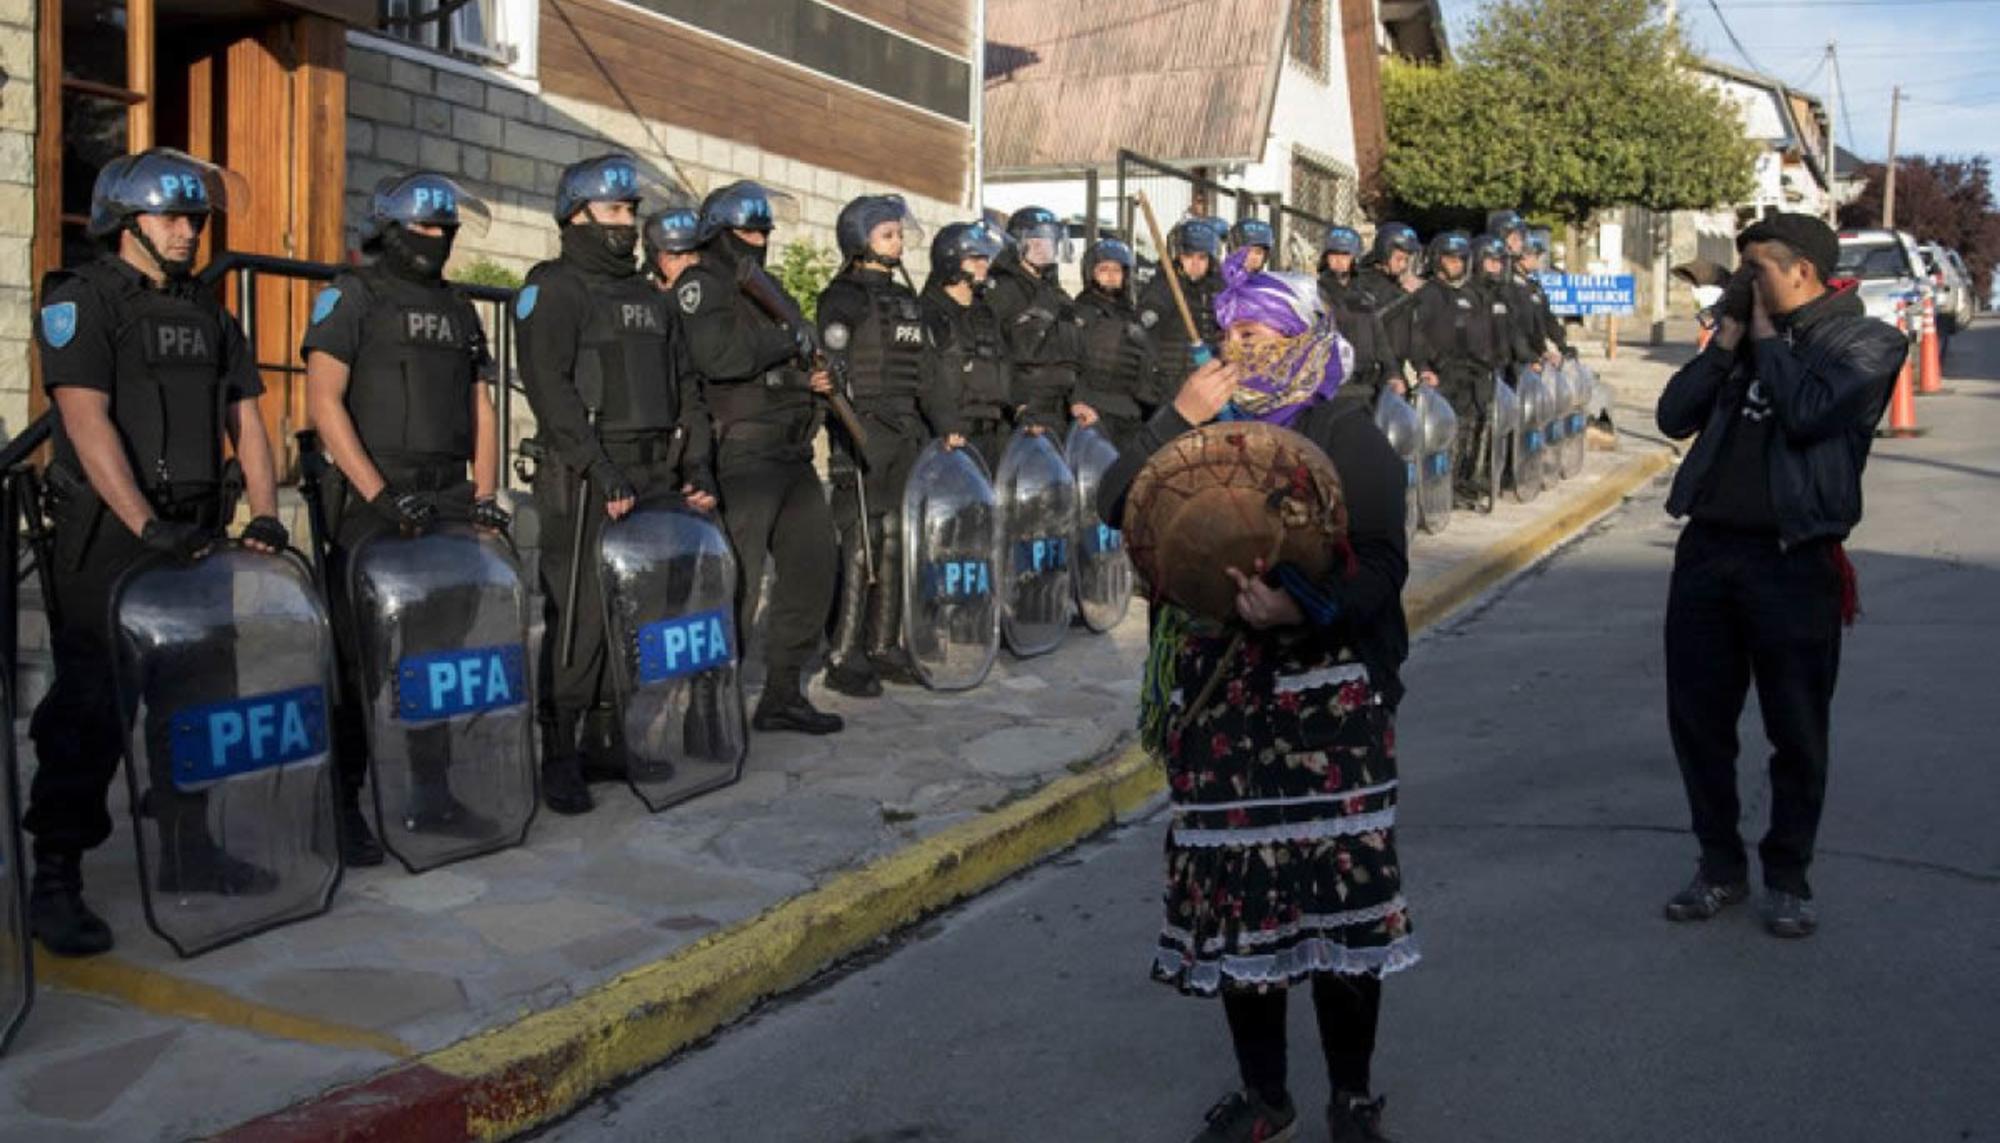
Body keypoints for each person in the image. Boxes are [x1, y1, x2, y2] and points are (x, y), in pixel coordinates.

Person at [1098, 251, 1414, 1143]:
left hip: (1326, 702)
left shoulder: (1345, 432)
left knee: (1340, 896)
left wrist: (1299, 607)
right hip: (1218, 704)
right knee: (1244, 907)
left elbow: (1384, 565)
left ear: (1307, 337)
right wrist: (1176, 417)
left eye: (1264, 331)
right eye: (1234, 331)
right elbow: (1112, 502)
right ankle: (1264, 1094)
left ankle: (1351, 1098)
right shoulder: (1201, 426)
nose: (1246, 346)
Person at [26, 148, 290, 956]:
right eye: (172, 218)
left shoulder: (213, 314)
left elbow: (247, 416)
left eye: (196, 220)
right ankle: (56, 877)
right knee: (93, 706)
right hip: (111, 535)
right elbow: (85, 419)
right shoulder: (83, 300)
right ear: (125, 221)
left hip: (198, 532)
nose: (188, 232)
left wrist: (268, 512)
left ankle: (189, 843)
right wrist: (144, 523)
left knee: (201, 696)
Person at [1654, 213, 1906, 938]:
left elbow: (1806, 412)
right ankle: (1719, 864)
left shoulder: (1866, 342)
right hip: (1709, 553)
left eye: (1755, 268)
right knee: (1698, 722)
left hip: (1794, 561)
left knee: (1795, 729)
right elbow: (1675, 416)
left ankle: (1789, 875)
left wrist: (1762, 337)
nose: (1742, 282)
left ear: (1801, 271)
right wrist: (1725, 343)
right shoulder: (1740, 336)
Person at [301, 171, 507, 860]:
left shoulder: (456, 307)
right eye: (424, 227)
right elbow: (324, 400)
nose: (437, 239)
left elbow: (481, 405)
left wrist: (485, 494)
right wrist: (376, 494)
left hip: (447, 498)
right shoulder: (351, 296)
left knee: (437, 658)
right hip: (374, 502)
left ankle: (433, 793)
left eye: (445, 228)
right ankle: (340, 804)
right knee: (360, 661)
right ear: (391, 229)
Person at [515, 153, 719, 814]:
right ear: (576, 215)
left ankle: (608, 737)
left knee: (638, 611)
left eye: (632, 211)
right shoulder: (554, 288)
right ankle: (559, 750)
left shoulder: (647, 297)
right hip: (585, 474)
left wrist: (695, 468)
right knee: (579, 616)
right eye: (613, 211)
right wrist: (601, 470)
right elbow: (552, 390)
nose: (627, 224)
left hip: (653, 470)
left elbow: (685, 385)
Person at [675, 180, 843, 735]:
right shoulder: (701, 286)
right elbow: (719, 356)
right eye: (748, 231)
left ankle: (782, 692)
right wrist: (790, 338)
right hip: (741, 455)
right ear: (719, 235)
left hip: (791, 452)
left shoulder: (767, 288)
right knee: (736, 588)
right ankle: (707, 709)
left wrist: (813, 374)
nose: (759, 240)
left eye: (764, 231)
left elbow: (793, 352)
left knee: (813, 569)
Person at [815, 195, 961, 698]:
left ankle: (883, 645)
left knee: (898, 535)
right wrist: (842, 433)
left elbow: (929, 373)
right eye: (887, 234)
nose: (898, 242)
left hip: (907, 433)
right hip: (863, 431)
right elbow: (830, 373)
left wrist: (947, 424)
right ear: (860, 241)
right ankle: (844, 652)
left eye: (899, 233)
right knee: (861, 541)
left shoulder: (908, 301)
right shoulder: (841, 298)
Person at [985, 205, 1095, 433]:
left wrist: (1078, 398)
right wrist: (1019, 403)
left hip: (1062, 410)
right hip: (1023, 410)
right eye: (1035, 241)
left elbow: (1076, 355)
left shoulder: (1060, 296)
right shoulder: (1001, 291)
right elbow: (996, 355)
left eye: (1049, 241)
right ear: (1017, 245)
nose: (1044, 248)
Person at [1411, 231, 1501, 505]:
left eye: (1460, 260)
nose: (1455, 265)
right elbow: (1417, 335)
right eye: (1450, 260)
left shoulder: (1470, 294)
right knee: (1443, 435)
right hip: (1443, 374)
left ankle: (1461, 481)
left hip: (1471, 373)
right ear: (1438, 261)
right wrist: (1425, 366)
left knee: (1469, 430)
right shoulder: (1428, 294)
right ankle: (1438, 488)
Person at [920, 221, 1014, 474]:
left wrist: (1021, 410)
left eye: (985, 257)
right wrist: (946, 425)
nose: (984, 264)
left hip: (993, 438)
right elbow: (926, 376)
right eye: (975, 258)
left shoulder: (986, 314)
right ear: (951, 261)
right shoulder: (928, 312)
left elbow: (1005, 367)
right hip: (951, 439)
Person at [1072, 237, 1158, 456]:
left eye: (1117, 270)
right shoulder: (1078, 313)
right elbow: (1069, 364)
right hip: (1094, 411)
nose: (1111, 276)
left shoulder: (1134, 317)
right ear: (1091, 272)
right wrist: (1076, 401)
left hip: (1130, 415)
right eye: (1104, 269)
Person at [1139, 216, 1227, 392]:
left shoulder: (1219, 289)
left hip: (1207, 377)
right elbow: (1153, 305)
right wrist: (1148, 316)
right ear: (1178, 257)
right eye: (1188, 257)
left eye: (1202, 258)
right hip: (1168, 379)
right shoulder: (1165, 284)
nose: (1195, 264)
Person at [1316, 226, 1401, 408]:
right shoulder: (1316, 294)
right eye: (1334, 255)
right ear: (1326, 258)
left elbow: (1379, 339)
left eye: (1345, 255)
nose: (1339, 261)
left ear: (1354, 258)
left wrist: (1393, 373)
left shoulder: (1363, 297)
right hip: (1332, 388)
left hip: (1366, 386)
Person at [1348, 223, 1428, 381]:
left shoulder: (1399, 289)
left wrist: (1423, 367)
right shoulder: (1360, 284)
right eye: (1399, 259)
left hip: (1394, 372)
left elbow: (1413, 335)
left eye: (1407, 260)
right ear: (1384, 253)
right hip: (1365, 373)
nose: (1404, 265)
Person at [642, 205, 703, 289]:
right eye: (675, 257)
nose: (687, 264)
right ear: (655, 261)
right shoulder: (636, 298)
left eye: (692, 254)